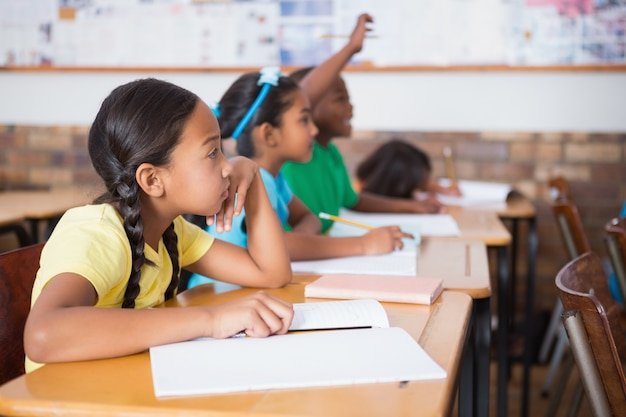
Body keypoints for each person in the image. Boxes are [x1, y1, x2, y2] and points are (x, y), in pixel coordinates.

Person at [23, 78, 294, 373]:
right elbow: (42, 335)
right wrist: (211, 319)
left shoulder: (170, 231)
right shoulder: (97, 234)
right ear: (152, 180)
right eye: (212, 152)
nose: (227, 167)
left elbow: (271, 273)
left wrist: (252, 179)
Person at [187, 15, 411, 289]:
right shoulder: (252, 182)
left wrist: (295, 241)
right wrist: (364, 244)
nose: (314, 131)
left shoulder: (274, 179)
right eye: (304, 120)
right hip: (214, 298)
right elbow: (287, 245)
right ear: (269, 134)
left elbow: (306, 220)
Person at [283, 46, 446, 234]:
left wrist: (412, 206)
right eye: (340, 99)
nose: (350, 107)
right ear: (309, 105)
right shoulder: (294, 155)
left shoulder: (331, 153)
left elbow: (354, 200)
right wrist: (351, 47)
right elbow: (303, 95)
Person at [354, 139, 461, 199]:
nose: (418, 190)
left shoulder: (380, 180)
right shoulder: (357, 195)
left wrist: (442, 189)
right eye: (415, 186)